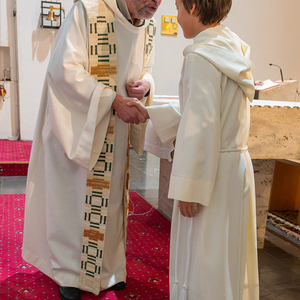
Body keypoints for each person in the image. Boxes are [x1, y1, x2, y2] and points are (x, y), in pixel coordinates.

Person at [21, 0, 161, 299]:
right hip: (80, 125)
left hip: (116, 130)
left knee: (111, 202)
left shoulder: (146, 24)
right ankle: (70, 272)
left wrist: (146, 84)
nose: (156, 2)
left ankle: (110, 269)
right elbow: (65, 70)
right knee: (75, 200)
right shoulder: (88, 10)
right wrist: (111, 100)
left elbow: (147, 66)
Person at [129, 0, 259, 299]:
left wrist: (189, 188)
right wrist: (152, 113)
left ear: (195, 8)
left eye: (177, 8)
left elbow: (201, 126)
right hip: (232, 167)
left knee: (205, 253)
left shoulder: (201, 57)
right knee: (225, 252)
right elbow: (201, 111)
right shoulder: (231, 47)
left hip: (209, 174)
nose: (176, 16)